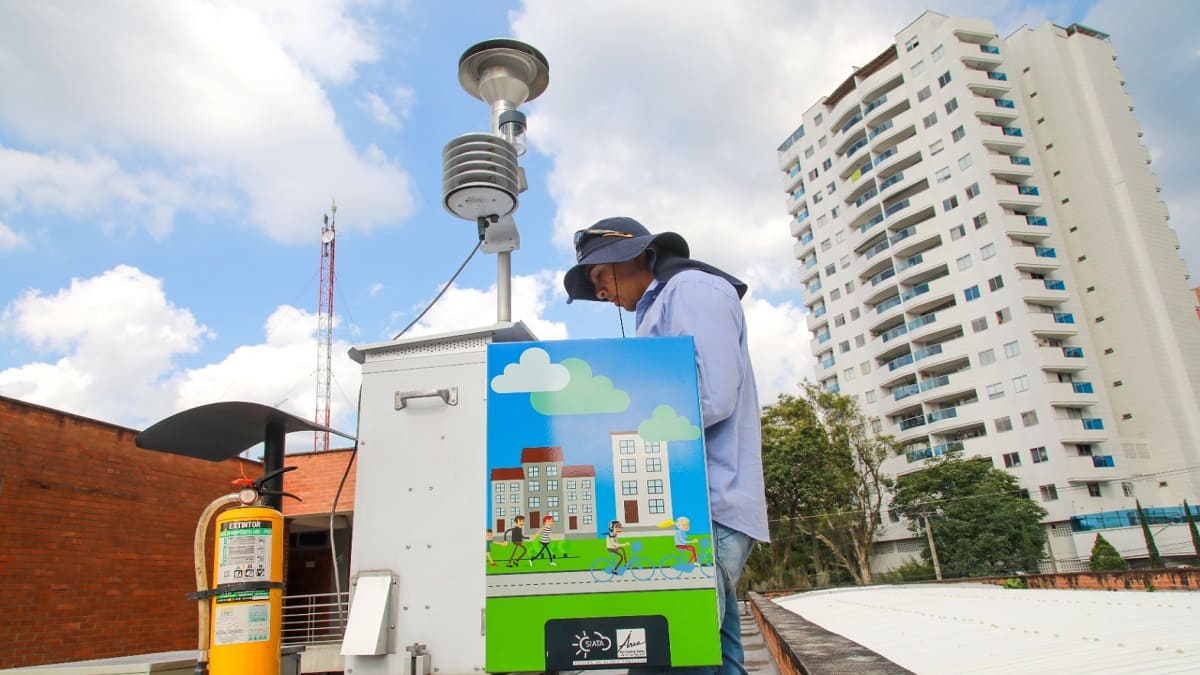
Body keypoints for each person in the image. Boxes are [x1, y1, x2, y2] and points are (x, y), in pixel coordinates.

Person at [564, 217, 769, 675]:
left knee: (676, 654)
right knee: (714, 656)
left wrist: (616, 425)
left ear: (633, 255)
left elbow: (712, 395)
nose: (600, 292)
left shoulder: (692, 291)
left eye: (600, 276)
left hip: (707, 505)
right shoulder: (658, 307)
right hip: (695, 507)